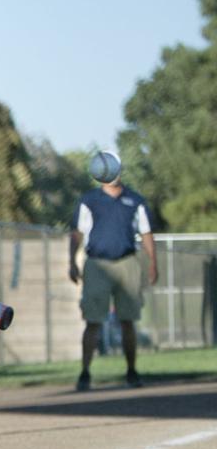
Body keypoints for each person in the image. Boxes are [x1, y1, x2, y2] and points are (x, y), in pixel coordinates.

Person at [69, 151, 158, 390]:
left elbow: (146, 232)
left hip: (127, 262)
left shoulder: (134, 200)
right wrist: (72, 262)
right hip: (97, 264)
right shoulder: (89, 200)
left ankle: (131, 371)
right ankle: (85, 373)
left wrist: (153, 262)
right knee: (93, 321)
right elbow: (77, 233)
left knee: (128, 320)